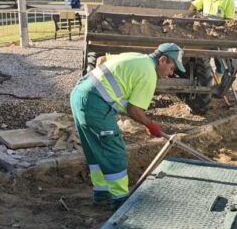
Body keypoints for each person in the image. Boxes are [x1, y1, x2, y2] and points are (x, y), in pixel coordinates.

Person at [70, 43, 185, 208]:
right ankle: (120, 200)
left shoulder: (136, 56)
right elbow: (133, 110)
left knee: (96, 149)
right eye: (172, 68)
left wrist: (102, 87)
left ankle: (102, 194)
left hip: (79, 94)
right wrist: (150, 125)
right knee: (113, 151)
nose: (171, 73)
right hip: (94, 104)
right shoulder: (149, 75)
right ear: (162, 60)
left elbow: (102, 59)